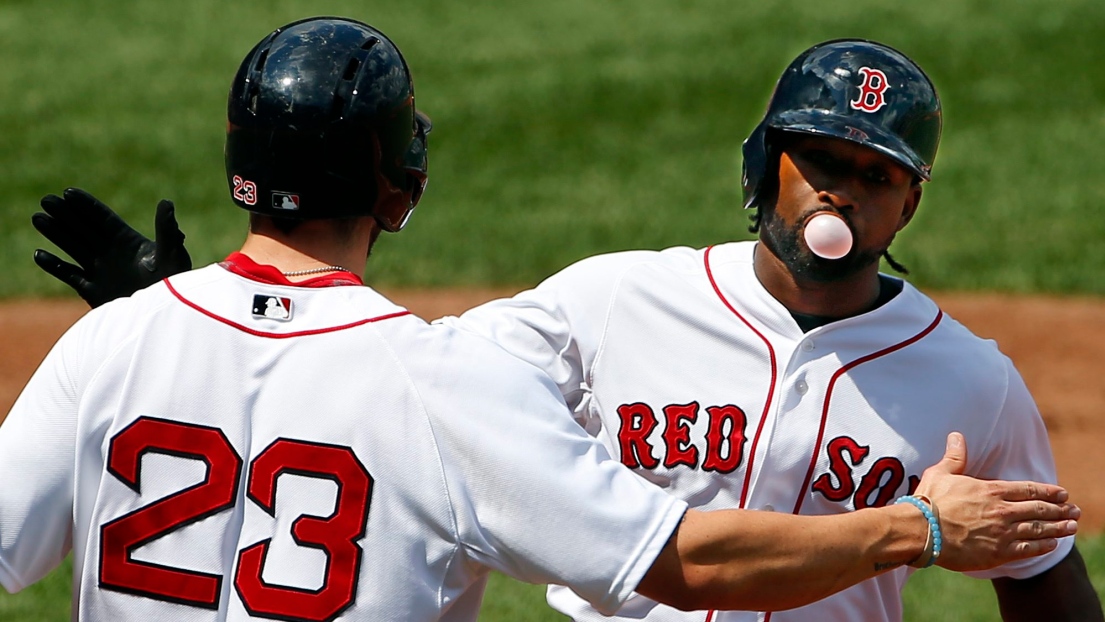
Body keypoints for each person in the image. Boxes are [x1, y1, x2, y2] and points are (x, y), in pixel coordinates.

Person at [20, 31, 1092, 622]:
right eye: (820, 159)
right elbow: (683, 563)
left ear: (909, 202)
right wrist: (922, 528)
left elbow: (317, 365)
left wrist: (173, 318)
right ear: (403, 191)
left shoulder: (115, 347)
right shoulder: (540, 335)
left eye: (875, 174)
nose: (840, 194)